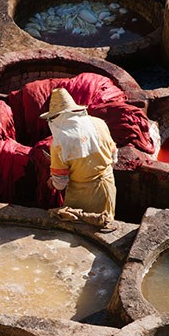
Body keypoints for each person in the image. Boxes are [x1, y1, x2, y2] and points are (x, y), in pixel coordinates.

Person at [43, 86, 118, 229]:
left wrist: (51, 183)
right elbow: (114, 156)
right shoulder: (98, 123)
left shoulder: (59, 142)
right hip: (108, 185)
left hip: (83, 196)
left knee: (81, 232)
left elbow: (60, 183)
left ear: (55, 117)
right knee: (105, 227)